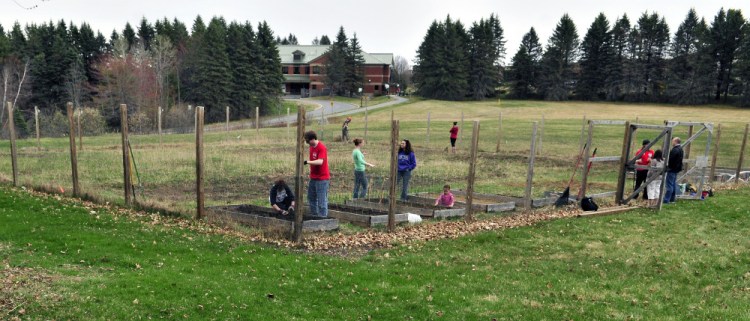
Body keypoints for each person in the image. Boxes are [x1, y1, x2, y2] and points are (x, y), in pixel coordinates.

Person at [303, 131, 330, 217]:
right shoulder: (311, 147)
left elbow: (320, 161)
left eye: (308, 141)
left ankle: (323, 218)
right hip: (313, 177)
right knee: (311, 198)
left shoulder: (321, 148)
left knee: (322, 200)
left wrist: (307, 162)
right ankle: (314, 215)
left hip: (322, 178)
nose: (307, 143)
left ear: (313, 139)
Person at [664, 137, 684, 204]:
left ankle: (666, 199)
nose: (672, 142)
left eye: (673, 141)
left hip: (672, 169)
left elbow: (671, 160)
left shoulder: (675, 150)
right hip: (676, 169)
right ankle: (672, 199)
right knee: (673, 184)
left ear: (675, 141)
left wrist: (668, 166)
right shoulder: (680, 149)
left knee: (669, 185)